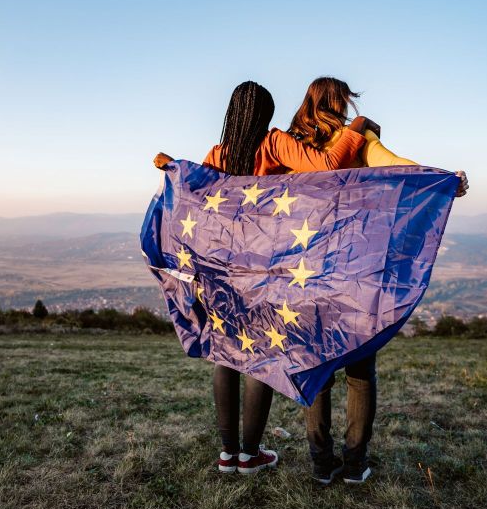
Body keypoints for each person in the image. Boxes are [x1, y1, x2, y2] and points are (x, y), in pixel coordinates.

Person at [153, 80, 373, 474]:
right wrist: (356, 129)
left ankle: (227, 453)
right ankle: (250, 454)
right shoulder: (272, 144)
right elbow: (327, 166)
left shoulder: (217, 154)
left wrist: (172, 167)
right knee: (258, 357)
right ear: (264, 115)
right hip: (262, 270)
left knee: (226, 354)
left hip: (220, 270)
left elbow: (198, 194)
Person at [286, 76, 468, 485]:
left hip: (303, 275)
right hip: (355, 271)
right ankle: (354, 464)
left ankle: (320, 464)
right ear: (341, 102)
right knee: (359, 370)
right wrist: (443, 180)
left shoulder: (291, 145)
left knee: (315, 366)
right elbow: (398, 164)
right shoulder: (359, 140)